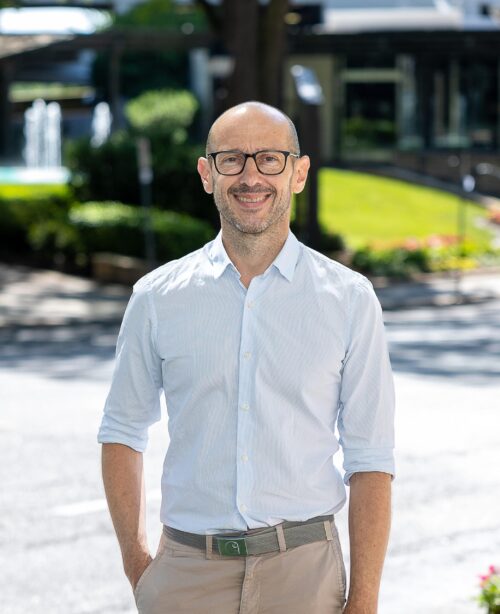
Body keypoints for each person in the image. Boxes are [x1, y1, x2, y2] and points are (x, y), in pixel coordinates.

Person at [98, 101, 395, 614]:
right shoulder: (157, 297)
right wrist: (139, 567)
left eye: (270, 160)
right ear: (207, 174)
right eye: (231, 159)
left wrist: (364, 600)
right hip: (185, 576)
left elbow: (370, 460)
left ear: (298, 173)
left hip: (305, 574)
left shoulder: (349, 299)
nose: (250, 176)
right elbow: (122, 433)